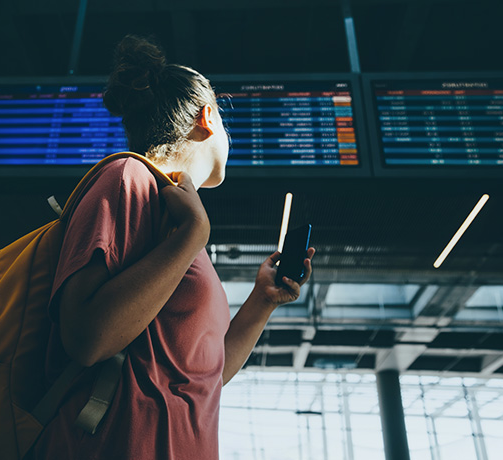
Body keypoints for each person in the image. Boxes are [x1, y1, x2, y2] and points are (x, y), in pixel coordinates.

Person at [30, 35, 316, 460]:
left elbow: (202, 377)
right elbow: (87, 339)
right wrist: (192, 236)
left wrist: (262, 301)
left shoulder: (181, 226)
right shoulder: (128, 180)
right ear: (208, 117)